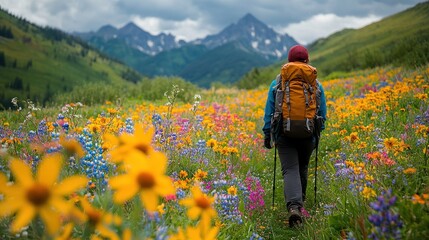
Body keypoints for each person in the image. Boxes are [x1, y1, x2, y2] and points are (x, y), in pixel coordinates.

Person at [262, 45, 327, 227]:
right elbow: (322, 112)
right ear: (307, 60)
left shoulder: (278, 82)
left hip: (284, 134)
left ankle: (294, 207)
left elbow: (269, 111)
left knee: (290, 169)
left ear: (289, 61)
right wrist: (316, 133)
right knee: (302, 167)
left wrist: (267, 134)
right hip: (308, 134)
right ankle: (300, 203)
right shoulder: (315, 83)